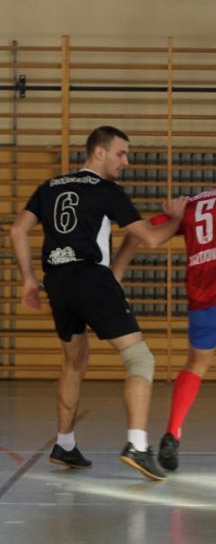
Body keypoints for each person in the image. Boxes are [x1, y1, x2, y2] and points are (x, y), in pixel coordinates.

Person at [9, 125, 186, 481]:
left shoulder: (49, 187)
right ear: (99, 152)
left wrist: (28, 279)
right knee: (140, 359)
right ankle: (137, 445)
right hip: (90, 277)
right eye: (121, 153)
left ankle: (65, 444)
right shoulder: (106, 190)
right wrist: (179, 219)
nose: (126, 161)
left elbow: (17, 230)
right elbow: (150, 239)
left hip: (57, 281)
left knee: (74, 360)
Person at [110, 163, 216, 472]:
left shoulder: (191, 206)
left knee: (195, 365)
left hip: (200, 306)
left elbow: (139, 232)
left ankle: (173, 433)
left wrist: (117, 272)